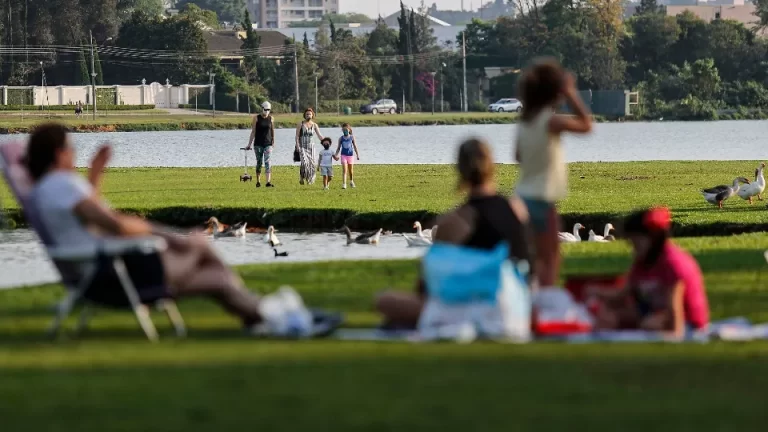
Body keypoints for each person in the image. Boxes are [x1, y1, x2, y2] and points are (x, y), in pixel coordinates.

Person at [23, 123, 266, 332]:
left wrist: (95, 175)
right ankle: (267, 313)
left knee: (219, 279)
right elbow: (114, 224)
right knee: (200, 244)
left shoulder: (49, 189)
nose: (74, 154)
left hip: (104, 272)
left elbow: (90, 221)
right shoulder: (61, 185)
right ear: (59, 154)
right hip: (117, 274)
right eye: (71, 148)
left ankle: (260, 316)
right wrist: (167, 235)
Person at [376, 138, 533, 329]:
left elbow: (427, 285)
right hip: (518, 307)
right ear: (492, 166)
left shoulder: (455, 221)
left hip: (478, 309)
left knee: (385, 300)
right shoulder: (517, 208)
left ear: (460, 170)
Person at [514, 58, 592, 293]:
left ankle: (528, 297)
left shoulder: (525, 122)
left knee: (530, 257)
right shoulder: (551, 121)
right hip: (543, 199)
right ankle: (545, 299)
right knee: (551, 257)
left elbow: (518, 155)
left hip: (521, 198)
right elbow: (586, 125)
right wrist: (571, 93)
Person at [587, 208, 710, 337]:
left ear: (653, 238)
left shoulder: (673, 264)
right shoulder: (642, 262)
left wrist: (673, 337)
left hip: (688, 325)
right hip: (653, 315)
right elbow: (623, 294)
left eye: (636, 243)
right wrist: (596, 292)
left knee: (649, 324)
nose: (633, 248)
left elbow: (674, 310)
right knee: (609, 317)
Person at [245, 101, 275, 188]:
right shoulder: (256, 118)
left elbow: (272, 130)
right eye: (265, 109)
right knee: (259, 162)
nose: (267, 111)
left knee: (268, 162)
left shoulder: (271, 118)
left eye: (268, 110)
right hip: (258, 143)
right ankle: (258, 181)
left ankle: (268, 182)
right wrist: (249, 144)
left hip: (268, 143)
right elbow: (253, 131)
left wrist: (273, 141)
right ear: (262, 109)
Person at [295, 107, 324, 185]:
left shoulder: (314, 125)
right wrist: (297, 145)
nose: (308, 115)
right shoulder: (300, 124)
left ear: (312, 115)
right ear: (305, 115)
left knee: (311, 164)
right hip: (302, 146)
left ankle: (310, 179)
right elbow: (297, 136)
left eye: (310, 114)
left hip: (311, 147)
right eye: (307, 114)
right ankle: (302, 177)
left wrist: (325, 141)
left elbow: (319, 135)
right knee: (304, 163)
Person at [334, 123, 360, 189]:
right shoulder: (341, 138)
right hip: (343, 155)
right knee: (344, 170)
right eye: (343, 130)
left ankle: (351, 181)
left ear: (349, 130)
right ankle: (344, 184)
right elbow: (338, 148)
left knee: (350, 170)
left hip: (350, 155)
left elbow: (355, 146)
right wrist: (336, 155)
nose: (345, 131)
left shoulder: (352, 137)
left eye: (346, 130)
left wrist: (357, 155)